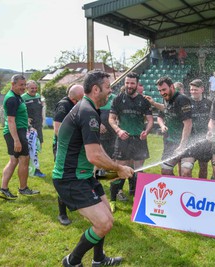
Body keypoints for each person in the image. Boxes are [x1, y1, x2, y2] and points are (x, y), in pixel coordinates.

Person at [53, 70, 134, 267]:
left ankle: (98, 260)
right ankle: (72, 262)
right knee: (103, 223)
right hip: (70, 178)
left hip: (83, 175)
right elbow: (94, 156)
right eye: (108, 87)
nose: (111, 91)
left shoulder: (89, 109)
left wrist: (115, 169)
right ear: (96, 89)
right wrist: (119, 168)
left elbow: (97, 150)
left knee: (107, 217)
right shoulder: (87, 112)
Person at [108, 72, 153, 211]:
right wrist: (118, 130)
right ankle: (113, 200)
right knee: (119, 169)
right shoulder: (117, 99)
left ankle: (137, 200)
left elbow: (150, 120)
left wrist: (147, 131)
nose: (129, 85)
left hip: (139, 140)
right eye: (127, 83)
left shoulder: (144, 101)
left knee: (138, 171)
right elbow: (111, 119)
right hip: (123, 139)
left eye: (132, 83)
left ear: (137, 84)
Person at [0, 74, 40, 200]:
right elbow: (10, 121)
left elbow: (19, 117)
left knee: (14, 161)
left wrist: (28, 126)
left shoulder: (17, 97)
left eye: (24, 85)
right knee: (23, 159)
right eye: (21, 85)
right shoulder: (12, 99)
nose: (23, 87)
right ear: (12, 84)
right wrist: (16, 140)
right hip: (15, 133)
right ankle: (22, 189)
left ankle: (3, 189)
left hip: (18, 131)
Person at [53, 84, 84, 226]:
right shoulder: (63, 105)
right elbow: (57, 130)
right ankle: (62, 213)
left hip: (75, 149)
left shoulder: (79, 105)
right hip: (64, 150)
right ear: (73, 99)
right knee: (64, 179)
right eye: (81, 98)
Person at [154, 76, 193, 177]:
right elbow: (162, 113)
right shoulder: (165, 99)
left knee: (186, 171)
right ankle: (176, 190)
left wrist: (182, 145)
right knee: (165, 170)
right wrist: (162, 126)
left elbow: (188, 124)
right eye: (160, 90)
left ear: (172, 87)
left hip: (186, 143)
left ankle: (188, 191)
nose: (162, 93)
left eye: (164, 89)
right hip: (170, 141)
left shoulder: (182, 99)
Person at [186, 79, 212, 178]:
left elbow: (212, 120)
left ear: (202, 89)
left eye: (195, 89)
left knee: (203, 167)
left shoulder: (209, 103)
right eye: (191, 90)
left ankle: (201, 189)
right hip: (190, 140)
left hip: (204, 141)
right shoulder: (186, 102)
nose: (193, 92)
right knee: (186, 167)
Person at [21, 80, 45, 178]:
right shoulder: (23, 98)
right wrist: (26, 120)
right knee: (32, 148)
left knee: (38, 147)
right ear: (27, 88)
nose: (34, 90)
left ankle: (31, 168)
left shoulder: (38, 96)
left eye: (35, 88)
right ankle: (35, 169)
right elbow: (20, 111)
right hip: (29, 128)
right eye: (32, 88)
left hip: (38, 126)